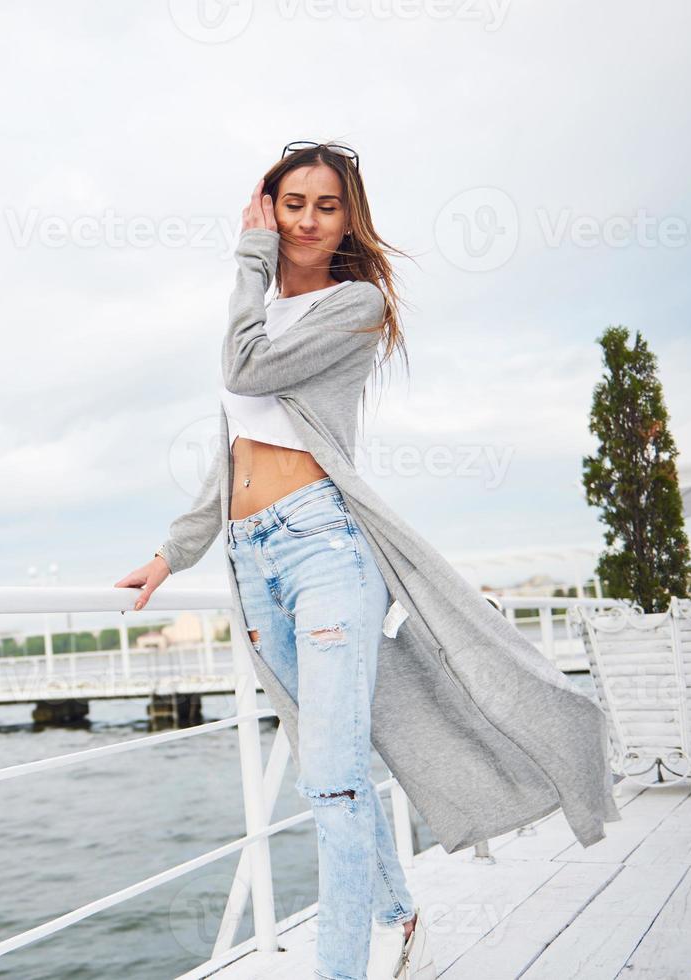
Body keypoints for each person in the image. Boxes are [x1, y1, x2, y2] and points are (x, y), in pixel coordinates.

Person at [116, 141, 434, 980]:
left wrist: (249, 258)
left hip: (325, 546)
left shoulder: (354, 304)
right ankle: (399, 914)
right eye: (291, 202)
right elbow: (232, 448)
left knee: (328, 782)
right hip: (250, 558)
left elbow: (241, 365)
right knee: (323, 762)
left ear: (346, 219)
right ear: (268, 205)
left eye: (325, 205)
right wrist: (171, 552)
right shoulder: (254, 311)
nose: (306, 220)